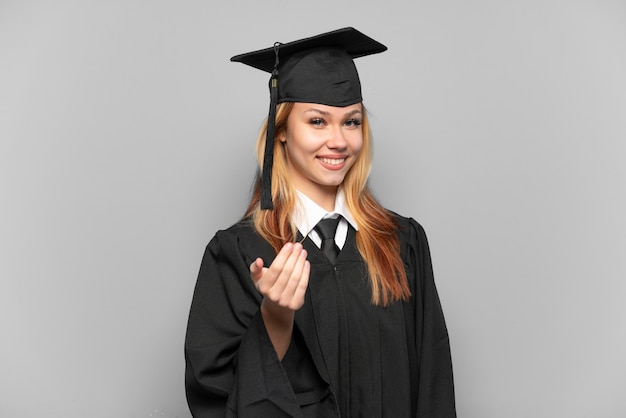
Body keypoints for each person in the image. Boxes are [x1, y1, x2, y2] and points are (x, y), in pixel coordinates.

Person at [185, 27, 456, 417]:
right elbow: (216, 395)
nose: (339, 141)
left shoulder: (401, 242)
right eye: (317, 121)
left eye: (351, 122)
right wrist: (275, 319)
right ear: (281, 132)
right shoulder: (238, 253)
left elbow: (433, 385)